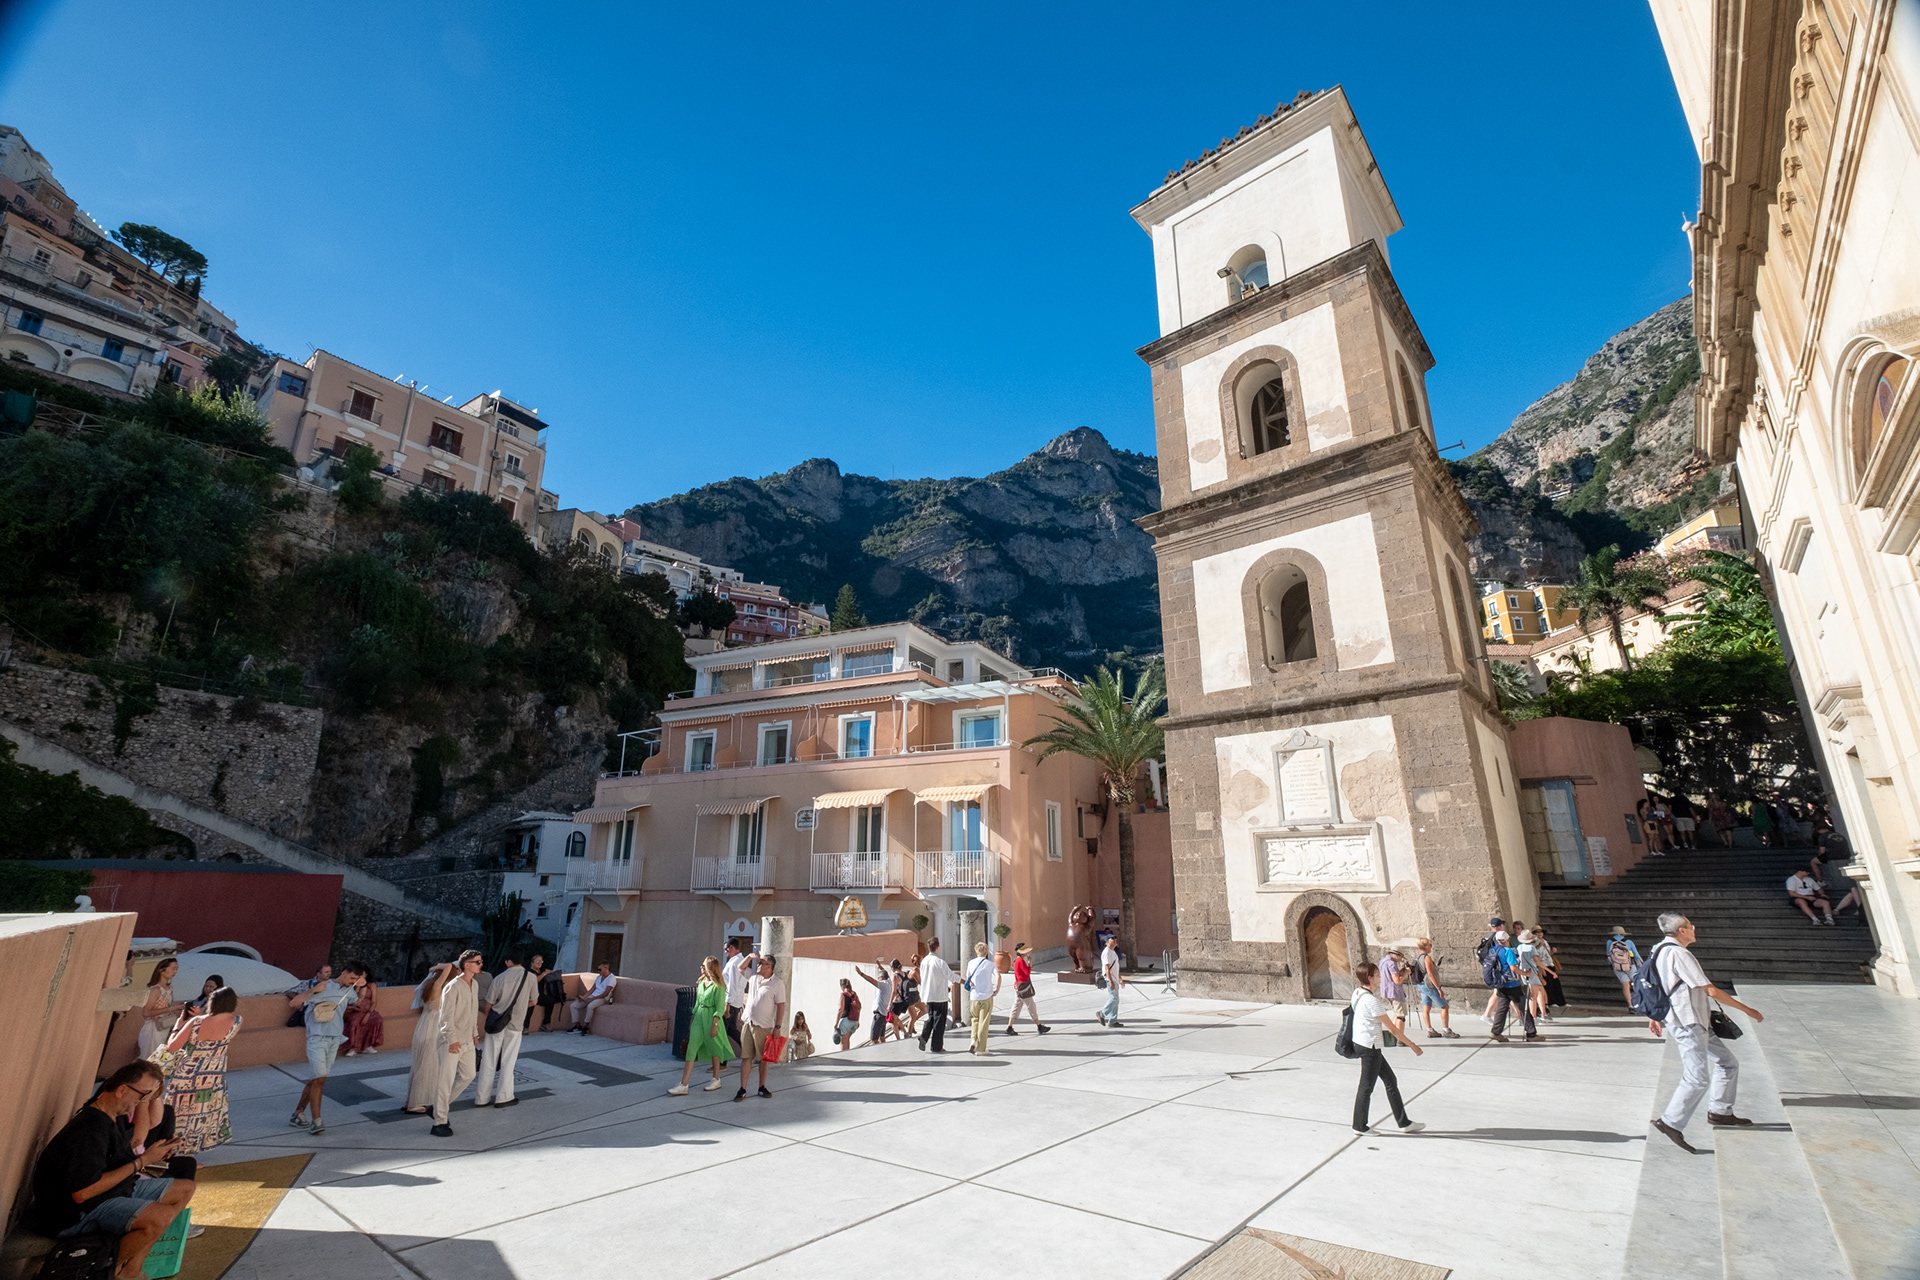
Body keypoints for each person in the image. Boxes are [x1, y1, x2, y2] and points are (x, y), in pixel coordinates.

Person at [26, 1061, 197, 1280]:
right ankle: (106, 1271)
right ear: (122, 1090)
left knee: (184, 1189)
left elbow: (136, 1141)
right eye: (143, 1095)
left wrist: (153, 1154)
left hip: (108, 1193)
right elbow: (82, 1193)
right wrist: (142, 1161)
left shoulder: (114, 1117)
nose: (142, 1102)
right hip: (71, 1214)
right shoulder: (89, 1131)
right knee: (159, 1216)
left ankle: (131, 1269)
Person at [1649, 913, 1764, 1151]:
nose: (1694, 928)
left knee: (1728, 1063)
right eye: (1690, 925)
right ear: (1682, 930)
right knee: (1697, 1078)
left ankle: (1720, 1111)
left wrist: (1655, 1015)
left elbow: (1654, 985)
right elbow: (1710, 990)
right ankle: (1670, 1122)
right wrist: (1747, 1010)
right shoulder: (1679, 954)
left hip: (1697, 1021)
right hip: (1688, 1022)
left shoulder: (1657, 949)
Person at [1348, 961, 1425, 1136]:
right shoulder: (1372, 1001)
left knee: (1390, 1081)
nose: (1380, 978)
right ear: (1369, 978)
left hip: (1361, 1042)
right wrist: (1413, 1046)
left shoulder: (1357, 993)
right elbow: (1393, 1030)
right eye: (1377, 975)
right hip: (1370, 1047)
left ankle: (1404, 1122)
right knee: (1366, 1087)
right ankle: (1359, 1125)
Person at [162, 986, 241, 1155]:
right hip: (213, 1076)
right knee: (202, 1114)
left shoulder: (196, 1022)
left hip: (188, 1075)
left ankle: (171, 1152)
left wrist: (178, 1026)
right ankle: (190, 1154)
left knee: (179, 1116)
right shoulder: (237, 1021)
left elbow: (172, 1047)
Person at [288, 960, 364, 1135]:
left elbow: (356, 1000)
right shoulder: (323, 986)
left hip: (335, 1039)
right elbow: (293, 1003)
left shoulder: (348, 991)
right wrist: (313, 990)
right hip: (317, 1038)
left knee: (317, 1079)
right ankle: (317, 1121)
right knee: (319, 1079)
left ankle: (298, 1113)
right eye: (352, 978)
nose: (353, 981)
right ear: (343, 973)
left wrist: (360, 986)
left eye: (356, 979)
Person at [431, 950, 484, 1137]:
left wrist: (475, 1034)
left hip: (468, 1040)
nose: (481, 964)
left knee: (469, 1075)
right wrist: (452, 1040)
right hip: (451, 1042)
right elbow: (445, 1017)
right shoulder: (452, 987)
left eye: (481, 961)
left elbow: (473, 1011)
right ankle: (439, 1121)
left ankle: (438, 1106)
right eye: (478, 962)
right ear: (467, 965)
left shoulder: (475, 984)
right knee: (445, 1081)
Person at [476, 952, 537, 1108]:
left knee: (488, 1059)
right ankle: (504, 1097)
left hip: (496, 1023)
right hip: (515, 1024)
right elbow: (534, 1001)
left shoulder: (499, 978)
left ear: (508, 961)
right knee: (508, 1060)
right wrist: (520, 1006)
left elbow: (489, 1003)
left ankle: (482, 1098)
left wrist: (491, 1016)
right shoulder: (530, 977)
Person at [669, 956, 734, 1095]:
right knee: (691, 1049)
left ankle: (716, 1078)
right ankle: (684, 1084)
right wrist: (692, 1021)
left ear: (710, 968)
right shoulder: (701, 983)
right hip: (699, 1016)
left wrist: (715, 1024)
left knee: (714, 1047)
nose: (701, 967)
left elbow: (719, 1007)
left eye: (703, 965)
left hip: (711, 1017)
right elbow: (697, 1003)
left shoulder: (718, 986)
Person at [404, 961, 455, 1115]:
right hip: (432, 1029)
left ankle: (409, 1100)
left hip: (423, 1026)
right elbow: (449, 967)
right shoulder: (437, 987)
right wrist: (438, 966)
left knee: (418, 1066)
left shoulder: (428, 985)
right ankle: (415, 1104)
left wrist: (435, 969)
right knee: (426, 1067)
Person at [735, 955, 787, 1100]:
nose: (758, 965)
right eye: (758, 963)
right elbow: (740, 967)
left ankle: (761, 1086)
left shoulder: (777, 984)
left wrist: (778, 1026)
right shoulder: (753, 977)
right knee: (746, 1057)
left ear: (769, 967)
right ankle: (742, 1088)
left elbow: (781, 1005)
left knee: (763, 1059)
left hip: (764, 1026)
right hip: (748, 1023)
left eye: (762, 963)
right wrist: (750, 956)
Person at [1487, 931, 1537, 1042]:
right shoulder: (1507, 951)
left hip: (1501, 983)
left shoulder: (1493, 950)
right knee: (1523, 1008)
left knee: (1502, 1008)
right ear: (1507, 940)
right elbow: (1513, 968)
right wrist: (1526, 973)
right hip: (1512, 984)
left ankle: (1495, 1032)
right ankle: (1531, 1034)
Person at [1412, 938, 1458, 1039]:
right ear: (1425, 946)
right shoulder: (1427, 958)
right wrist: (1438, 988)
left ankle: (1430, 1030)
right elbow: (1430, 974)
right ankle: (1446, 1030)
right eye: (1430, 945)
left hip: (1421, 985)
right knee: (1444, 1007)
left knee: (1426, 1007)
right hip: (1430, 986)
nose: (1431, 947)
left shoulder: (1418, 957)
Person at [916, 938, 956, 1053]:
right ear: (937, 948)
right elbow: (951, 976)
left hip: (928, 995)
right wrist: (963, 981)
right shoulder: (940, 962)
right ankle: (936, 1046)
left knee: (931, 1018)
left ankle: (924, 1037)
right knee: (939, 1022)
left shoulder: (924, 962)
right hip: (940, 996)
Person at [1811, 829, 1863, 915]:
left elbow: (1822, 851)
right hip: (1846, 856)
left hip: (1832, 856)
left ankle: (1820, 880)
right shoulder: (1840, 835)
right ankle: (1837, 910)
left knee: (1813, 862)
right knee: (1853, 890)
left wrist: (1820, 854)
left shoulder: (1823, 837)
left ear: (1820, 830)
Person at [1003, 942, 1050, 1035]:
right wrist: (1029, 964)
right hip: (1023, 987)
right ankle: (1039, 1026)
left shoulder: (1017, 960)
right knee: (1031, 1006)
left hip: (1019, 987)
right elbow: (1027, 973)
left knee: (1016, 1006)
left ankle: (1009, 1027)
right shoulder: (1020, 961)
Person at [136, 959, 180, 1060]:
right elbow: (146, 1012)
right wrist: (172, 1008)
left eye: (176, 969)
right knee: (149, 1058)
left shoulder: (169, 989)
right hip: (153, 1028)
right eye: (173, 968)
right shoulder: (155, 990)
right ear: (162, 970)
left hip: (164, 1027)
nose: (175, 972)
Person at [963, 941, 1001, 1055]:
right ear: (986, 952)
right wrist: (997, 989)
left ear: (976, 951)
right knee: (984, 1022)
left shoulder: (971, 963)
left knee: (975, 1019)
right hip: (986, 995)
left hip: (974, 996)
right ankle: (981, 1049)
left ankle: (973, 1040)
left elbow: (968, 978)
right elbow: (998, 976)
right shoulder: (990, 964)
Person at [342, 969, 384, 1057]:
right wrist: (357, 987)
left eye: (362, 974)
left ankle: (368, 1046)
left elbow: (374, 1002)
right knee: (354, 1022)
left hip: (368, 1011)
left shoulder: (371, 985)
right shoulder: (352, 985)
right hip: (355, 1010)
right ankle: (353, 1047)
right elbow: (353, 1000)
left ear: (366, 974)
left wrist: (368, 1014)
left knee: (377, 1020)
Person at [569, 962, 617, 1035]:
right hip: (593, 996)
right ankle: (577, 1026)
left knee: (590, 1006)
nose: (598, 971)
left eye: (600, 969)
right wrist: (584, 997)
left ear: (606, 968)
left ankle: (586, 1026)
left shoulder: (611, 979)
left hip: (602, 998)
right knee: (574, 1005)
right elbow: (592, 989)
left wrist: (592, 999)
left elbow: (606, 993)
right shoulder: (599, 977)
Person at [856, 960, 893, 1046]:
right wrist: (880, 967)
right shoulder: (889, 982)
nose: (878, 979)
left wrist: (861, 974)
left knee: (874, 1039)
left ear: (881, 977)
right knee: (881, 1037)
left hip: (879, 1015)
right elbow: (886, 974)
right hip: (884, 1014)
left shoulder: (883, 984)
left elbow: (872, 981)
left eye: (879, 977)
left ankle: (877, 1052)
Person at [721, 940, 749, 1047]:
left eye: (726, 949)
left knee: (722, 1032)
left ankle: (722, 1057)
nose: (725, 952)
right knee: (731, 1030)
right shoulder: (741, 961)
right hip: (736, 1001)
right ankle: (747, 1048)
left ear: (732, 947)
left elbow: (732, 984)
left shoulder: (734, 963)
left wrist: (727, 1005)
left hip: (731, 1003)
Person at [1605, 926, 1642, 1006]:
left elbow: (1608, 955)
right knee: (1636, 984)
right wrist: (1641, 966)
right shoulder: (1628, 942)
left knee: (1625, 985)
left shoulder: (1609, 942)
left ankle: (1630, 1006)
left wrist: (1612, 965)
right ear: (1623, 934)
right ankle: (1639, 1003)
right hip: (1630, 965)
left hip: (1617, 966)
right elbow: (1636, 955)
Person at [1534, 926, 1567, 1015]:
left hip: (1549, 964)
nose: (1539, 934)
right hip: (1543, 965)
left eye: (1541, 932)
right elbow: (1537, 957)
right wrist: (1541, 969)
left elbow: (1547, 954)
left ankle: (1560, 1001)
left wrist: (1552, 952)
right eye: (1537, 932)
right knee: (1548, 985)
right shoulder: (1535, 943)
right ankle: (1550, 1002)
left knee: (1555, 983)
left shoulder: (1545, 941)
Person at [1377, 949, 1411, 1032]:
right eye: (1400, 957)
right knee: (1401, 1015)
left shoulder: (1383, 961)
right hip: (1394, 992)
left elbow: (1389, 976)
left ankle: (1392, 1033)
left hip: (1386, 991)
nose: (1400, 959)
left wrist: (1401, 972)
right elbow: (1397, 981)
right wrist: (1406, 973)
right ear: (1396, 955)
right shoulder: (1391, 963)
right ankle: (1399, 1036)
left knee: (1397, 1013)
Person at [1098, 932, 1125, 1028]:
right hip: (1111, 979)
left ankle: (1113, 1021)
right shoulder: (1107, 952)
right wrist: (1111, 981)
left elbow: (1115, 968)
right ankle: (1102, 1014)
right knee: (1114, 999)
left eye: (1115, 938)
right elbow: (1107, 968)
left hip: (1115, 979)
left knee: (1116, 1000)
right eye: (1112, 939)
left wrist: (1120, 979)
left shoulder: (1112, 952)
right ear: (1107, 942)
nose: (1114, 940)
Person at [892, 958, 923, 1038]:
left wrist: (890, 1003)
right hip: (907, 998)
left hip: (901, 1000)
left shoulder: (897, 976)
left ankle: (905, 1034)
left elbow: (894, 991)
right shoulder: (907, 973)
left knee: (894, 1019)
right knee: (912, 1016)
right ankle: (907, 1033)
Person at [833, 978, 861, 1051]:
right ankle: (848, 1056)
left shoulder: (843, 995)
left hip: (846, 1021)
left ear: (842, 986)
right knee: (847, 1040)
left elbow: (840, 1009)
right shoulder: (854, 994)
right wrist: (857, 1020)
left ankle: (844, 1058)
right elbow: (859, 1006)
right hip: (854, 1022)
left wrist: (836, 1024)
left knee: (843, 1042)